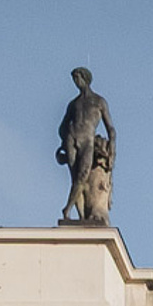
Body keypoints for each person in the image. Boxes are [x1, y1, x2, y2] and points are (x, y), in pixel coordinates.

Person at [56, 67, 113, 228]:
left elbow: (110, 128)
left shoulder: (98, 101)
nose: (76, 82)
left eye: (77, 78)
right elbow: (62, 126)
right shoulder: (73, 103)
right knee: (76, 179)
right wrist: (64, 142)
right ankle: (80, 216)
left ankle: (66, 209)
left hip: (87, 140)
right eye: (74, 79)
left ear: (85, 79)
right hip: (71, 139)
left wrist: (112, 148)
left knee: (82, 177)